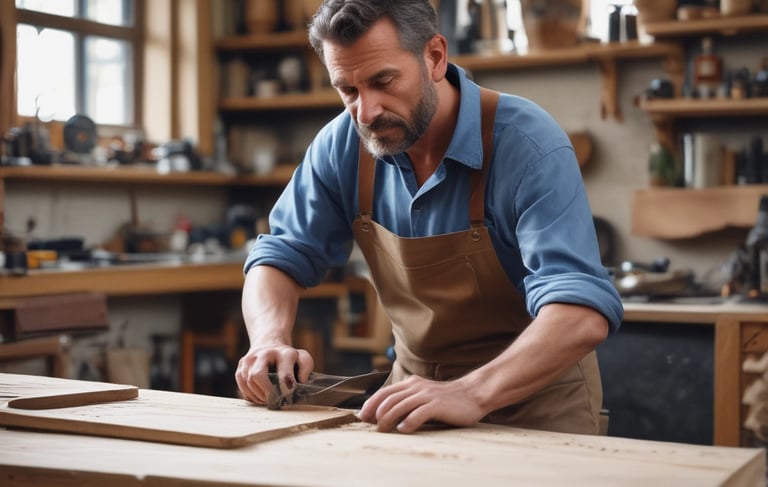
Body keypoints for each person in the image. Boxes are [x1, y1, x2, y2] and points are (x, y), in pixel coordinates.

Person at [235, 0, 624, 435]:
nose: (366, 112)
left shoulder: (528, 145)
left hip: (536, 405)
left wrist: (471, 392)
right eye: (348, 90)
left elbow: (580, 311)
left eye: (383, 80)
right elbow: (280, 254)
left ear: (435, 57)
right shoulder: (344, 145)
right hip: (413, 400)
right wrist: (268, 338)